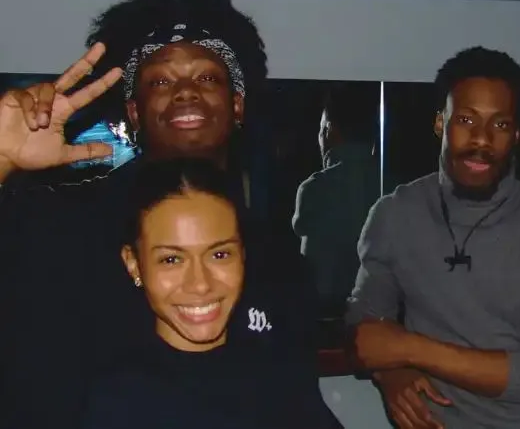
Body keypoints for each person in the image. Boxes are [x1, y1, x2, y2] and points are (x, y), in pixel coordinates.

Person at [0, 0, 331, 429]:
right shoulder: (61, 223)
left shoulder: (273, 251)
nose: (185, 93)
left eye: (208, 78)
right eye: (160, 81)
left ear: (238, 105)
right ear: (134, 113)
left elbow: (295, 393)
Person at [346, 46, 520, 429]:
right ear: (439, 123)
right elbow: (363, 326)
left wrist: (411, 350)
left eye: (500, 124)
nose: (482, 139)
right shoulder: (396, 213)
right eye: (466, 119)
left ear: (517, 134)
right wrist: (391, 374)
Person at [82, 159, 340, 428]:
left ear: (242, 254)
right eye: (171, 259)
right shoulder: (119, 400)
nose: (200, 284)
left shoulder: (280, 373)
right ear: (134, 264)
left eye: (219, 254)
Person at [293, 85, 381, 317]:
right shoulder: (395, 185)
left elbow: (313, 269)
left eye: (321, 129)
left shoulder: (315, 188)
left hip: (328, 313)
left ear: (330, 131)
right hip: (382, 311)